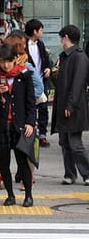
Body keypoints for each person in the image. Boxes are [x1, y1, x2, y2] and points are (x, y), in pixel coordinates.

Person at [0, 44, 36, 207]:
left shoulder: (24, 76)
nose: (5, 65)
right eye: (2, 61)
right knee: (4, 162)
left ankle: (28, 195)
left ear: (15, 59)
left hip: (20, 125)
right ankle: (10, 195)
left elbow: (30, 101)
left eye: (8, 61)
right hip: (1, 126)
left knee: (22, 162)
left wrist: (30, 122)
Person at [51, 24, 89, 186]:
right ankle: (70, 174)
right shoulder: (64, 56)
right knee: (64, 143)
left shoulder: (79, 57)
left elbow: (77, 83)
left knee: (75, 144)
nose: (60, 41)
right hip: (63, 105)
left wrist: (70, 105)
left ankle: (86, 173)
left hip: (73, 107)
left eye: (61, 38)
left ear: (66, 37)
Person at [24, 19, 52, 147]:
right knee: (30, 107)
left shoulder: (40, 44)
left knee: (43, 108)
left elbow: (45, 59)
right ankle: (30, 133)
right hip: (29, 82)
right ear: (35, 31)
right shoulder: (23, 44)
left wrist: (48, 68)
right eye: (40, 30)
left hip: (42, 80)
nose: (42, 32)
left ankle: (42, 134)